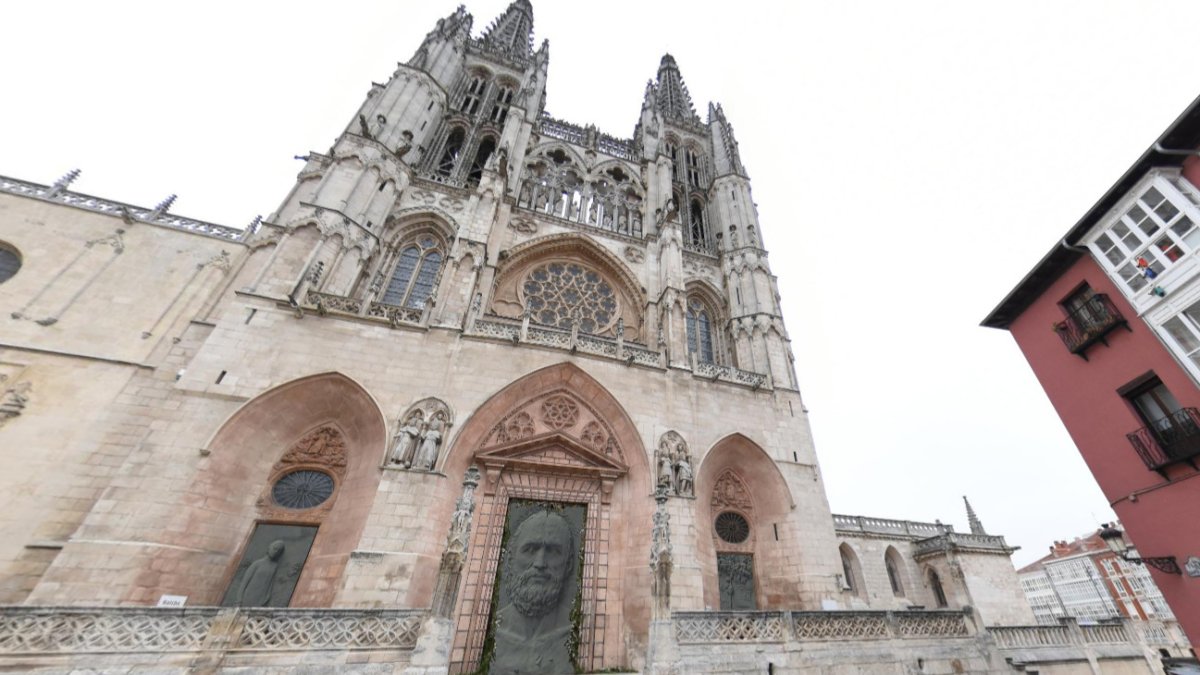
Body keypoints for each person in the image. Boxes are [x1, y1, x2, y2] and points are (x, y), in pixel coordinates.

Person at [490, 510, 575, 675]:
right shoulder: (491, 630)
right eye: (530, 549)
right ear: (510, 559)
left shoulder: (576, 633)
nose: (540, 563)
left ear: (569, 564)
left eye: (553, 551)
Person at [234, 540, 285, 606]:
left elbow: (271, 585)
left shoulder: (274, 567)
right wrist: (239, 600)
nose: (275, 552)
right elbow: (244, 582)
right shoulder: (257, 563)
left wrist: (267, 598)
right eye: (274, 548)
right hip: (248, 597)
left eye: (278, 551)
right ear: (269, 547)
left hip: (261, 600)